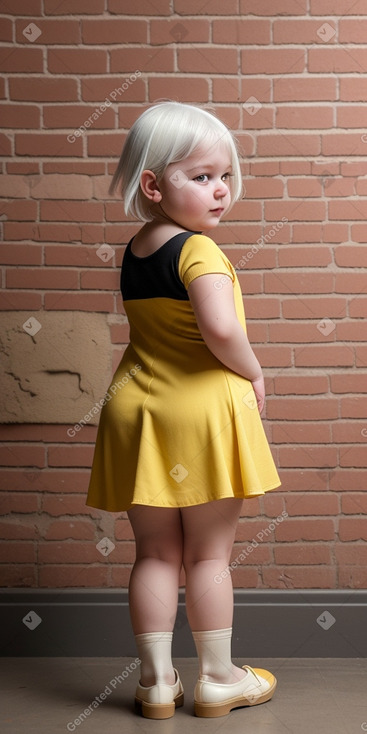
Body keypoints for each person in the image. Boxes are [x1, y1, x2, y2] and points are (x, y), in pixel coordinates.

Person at [86, 101, 281, 719]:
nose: (220, 189)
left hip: (138, 411)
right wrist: (253, 371)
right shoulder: (198, 251)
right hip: (199, 413)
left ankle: (156, 682)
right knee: (208, 555)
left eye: (224, 175)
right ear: (153, 184)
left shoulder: (138, 249)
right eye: (200, 177)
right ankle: (219, 677)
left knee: (154, 554)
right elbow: (220, 330)